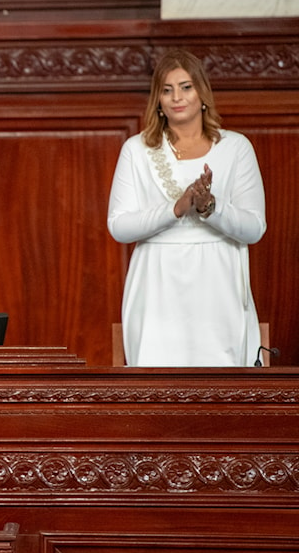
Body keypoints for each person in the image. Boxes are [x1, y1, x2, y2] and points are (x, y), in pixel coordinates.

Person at [107, 48, 266, 366]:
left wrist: (211, 208)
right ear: (158, 101)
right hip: (157, 285)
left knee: (222, 390)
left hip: (219, 283)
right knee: (157, 387)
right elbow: (119, 226)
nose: (176, 97)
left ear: (202, 94)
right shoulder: (136, 150)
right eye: (167, 90)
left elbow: (254, 228)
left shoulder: (236, 147)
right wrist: (175, 209)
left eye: (185, 86)